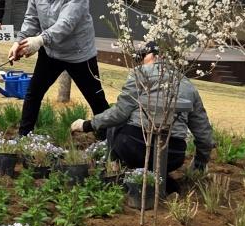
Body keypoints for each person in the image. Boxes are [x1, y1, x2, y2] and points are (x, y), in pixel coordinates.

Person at [71, 42, 214, 194]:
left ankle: (114, 174)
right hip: (173, 154)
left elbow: (119, 114)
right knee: (129, 122)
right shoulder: (189, 85)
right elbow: (203, 133)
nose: (140, 62)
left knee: (118, 118)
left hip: (133, 147)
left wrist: (87, 125)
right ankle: (161, 180)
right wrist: (199, 163)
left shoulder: (140, 73)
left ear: (157, 56)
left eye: (143, 57)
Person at [10, 0, 110, 135]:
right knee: (34, 93)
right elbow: (31, 18)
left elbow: (65, 25)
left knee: (96, 98)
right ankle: (24, 137)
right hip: (51, 52)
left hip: (79, 55)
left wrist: (38, 41)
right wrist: (20, 41)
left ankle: (108, 141)